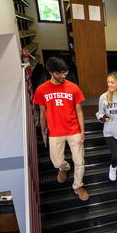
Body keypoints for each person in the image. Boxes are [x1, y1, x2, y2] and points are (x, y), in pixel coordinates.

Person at [33, 57, 89, 201]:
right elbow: (42, 113)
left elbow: (80, 111)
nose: (64, 76)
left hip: (74, 130)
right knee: (56, 161)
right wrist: (43, 132)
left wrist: (82, 131)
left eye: (65, 72)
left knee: (79, 161)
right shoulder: (41, 90)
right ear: (51, 72)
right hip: (55, 132)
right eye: (60, 73)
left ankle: (78, 186)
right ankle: (64, 168)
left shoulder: (73, 87)